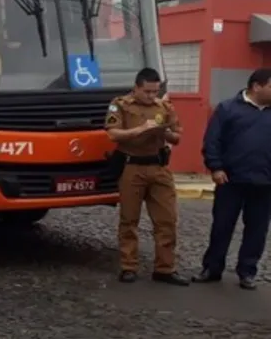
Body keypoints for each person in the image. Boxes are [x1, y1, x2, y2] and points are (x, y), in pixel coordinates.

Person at [104, 67, 190, 286]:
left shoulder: (164, 107)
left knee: (167, 220)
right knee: (129, 220)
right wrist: (139, 130)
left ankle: (165, 268)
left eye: (155, 91)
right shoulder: (121, 105)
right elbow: (113, 134)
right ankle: (128, 266)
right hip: (132, 167)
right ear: (136, 88)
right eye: (147, 91)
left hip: (159, 167)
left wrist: (164, 132)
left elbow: (178, 137)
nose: (152, 96)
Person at [193, 68, 271, 290]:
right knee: (222, 226)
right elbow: (212, 140)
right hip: (230, 180)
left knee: (257, 230)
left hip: (264, 183)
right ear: (257, 86)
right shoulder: (228, 108)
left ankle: (247, 271)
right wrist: (215, 167)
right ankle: (212, 268)